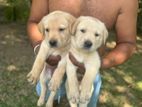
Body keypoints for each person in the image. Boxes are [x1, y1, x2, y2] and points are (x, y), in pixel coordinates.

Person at [27, 0, 138, 107]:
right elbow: (35, 21)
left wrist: (99, 64)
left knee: (84, 103)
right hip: (52, 65)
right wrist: (39, 49)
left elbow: (127, 42)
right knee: (49, 100)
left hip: (88, 69)